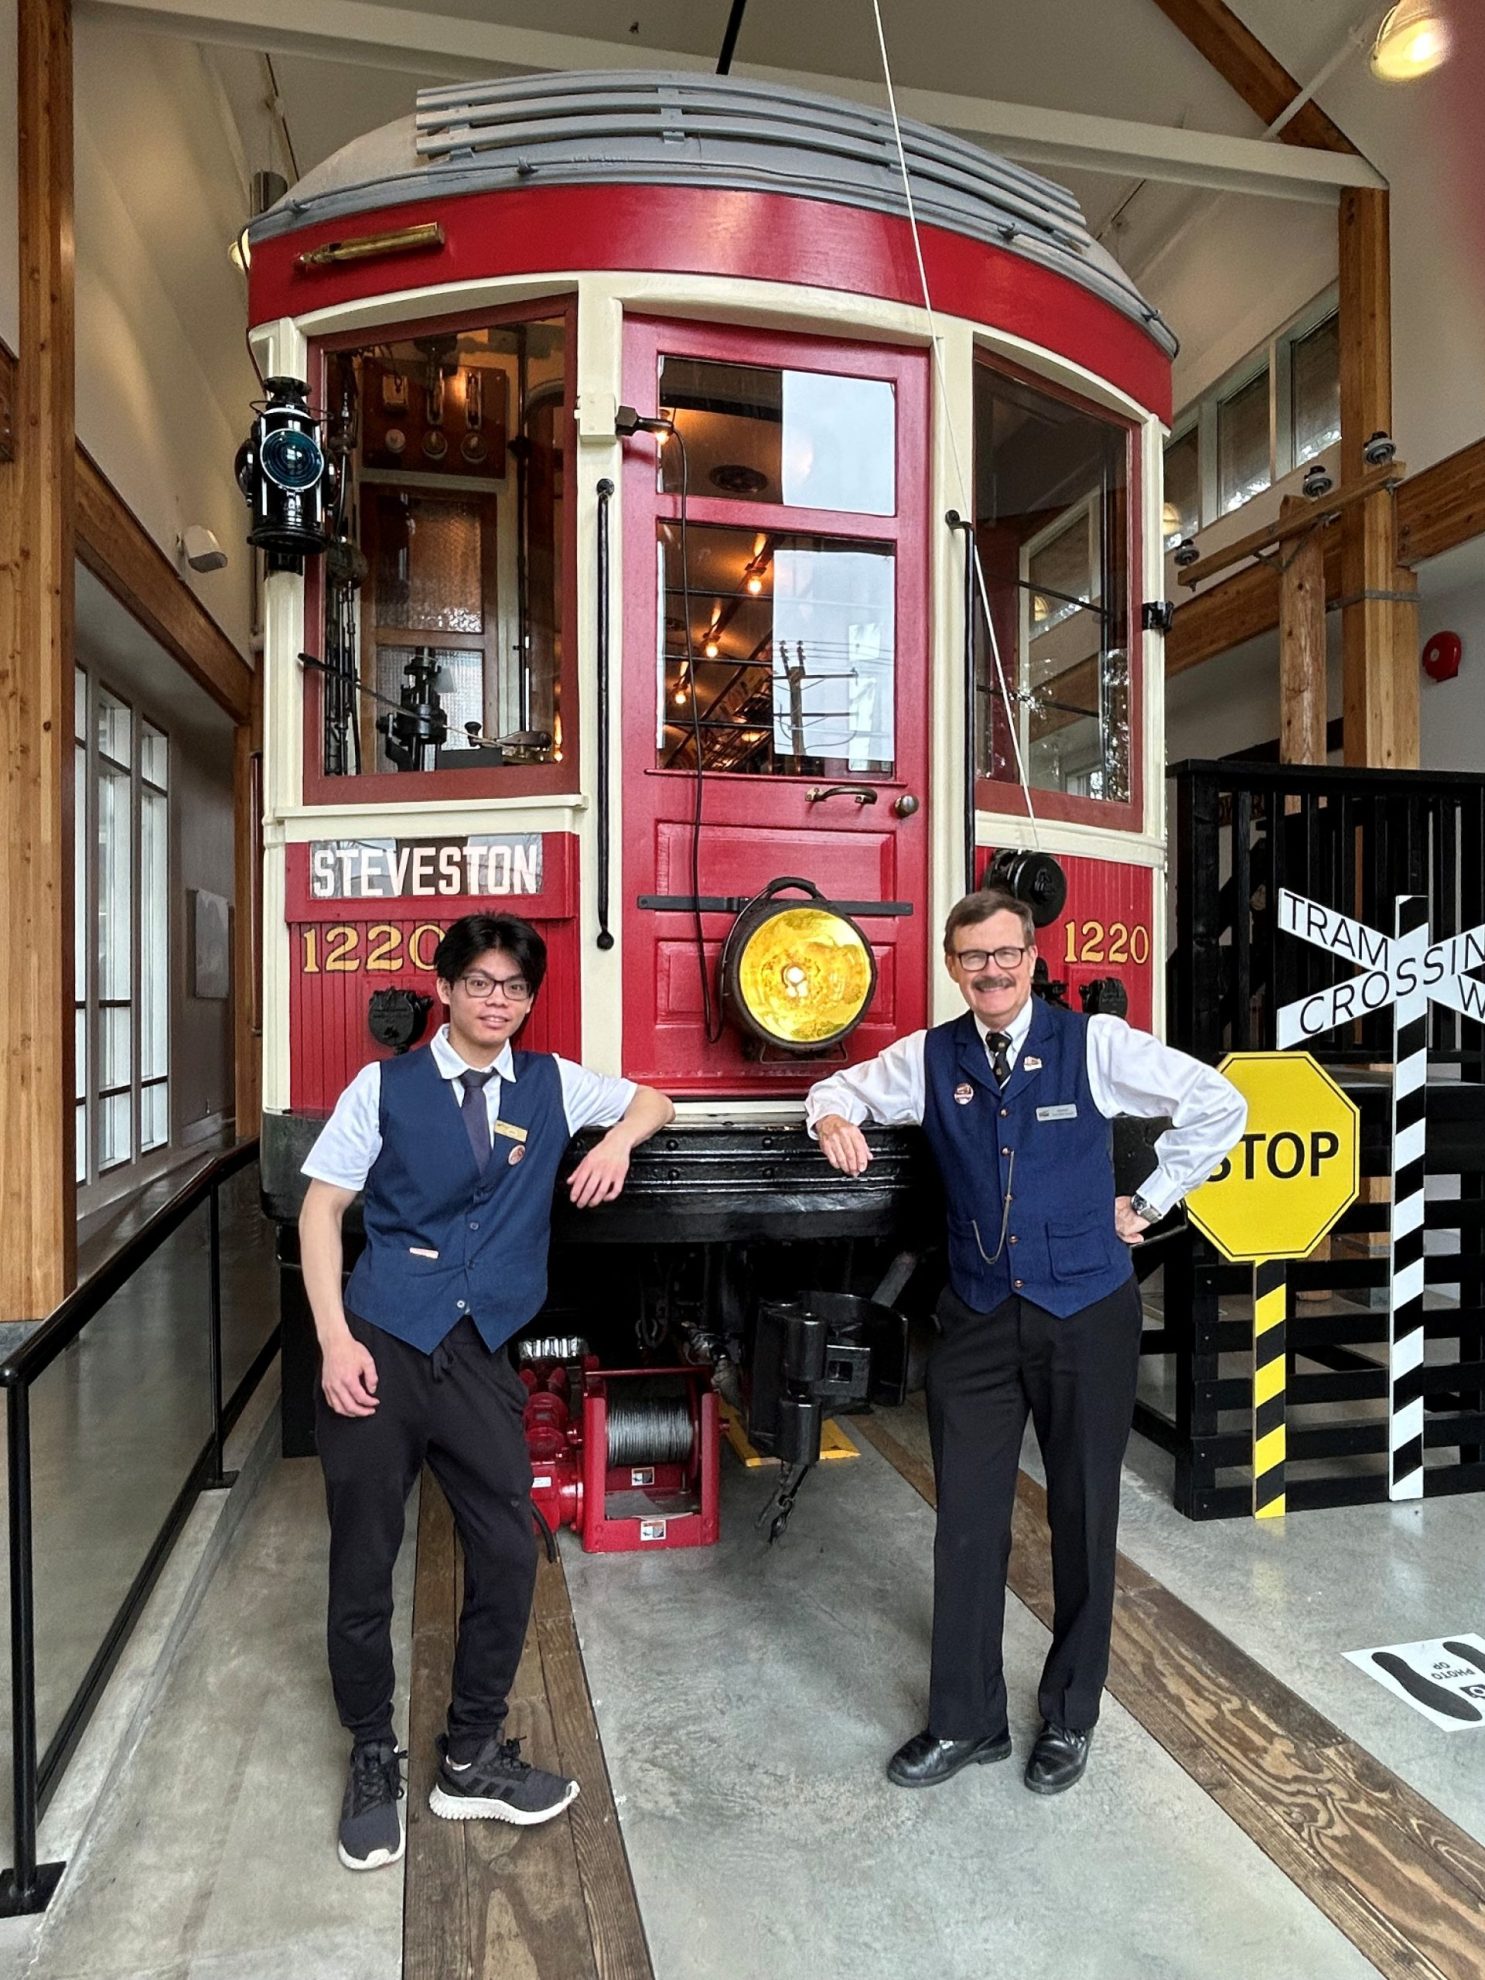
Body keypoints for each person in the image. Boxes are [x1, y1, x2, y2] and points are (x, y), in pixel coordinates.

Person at [806, 886, 1245, 1797]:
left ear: (1032, 958)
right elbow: (835, 1086)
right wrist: (832, 1117)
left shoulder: (1093, 1044)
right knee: (965, 1523)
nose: (991, 972)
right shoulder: (931, 1055)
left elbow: (1217, 1102)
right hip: (974, 1316)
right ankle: (965, 1722)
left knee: (1083, 1513)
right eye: (972, 958)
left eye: (1006, 955)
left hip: (1085, 1311)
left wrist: (1152, 1200)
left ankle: (1070, 1716)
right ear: (951, 966)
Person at [299, 911, 674, 1870]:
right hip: (380, 1340)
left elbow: (654, 1099)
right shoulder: (382, 1087)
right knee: (362, 1558)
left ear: (527, 999)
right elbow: (322, 1208)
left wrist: (615, 1144)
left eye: (513, 988)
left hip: (478, 1353)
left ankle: (468, 1756)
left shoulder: (550, 1082)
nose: (496, 1001)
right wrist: (335, 1339)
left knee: (511, 1549)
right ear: (446, 990)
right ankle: (372, 1749)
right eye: (479, 984)